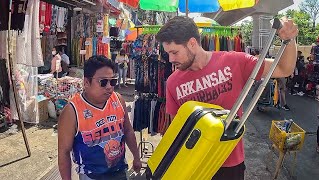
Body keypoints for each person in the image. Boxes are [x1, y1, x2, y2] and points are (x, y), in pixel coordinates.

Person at [155, 16, 298, 180]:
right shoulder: (173, 82)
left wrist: (289, 39)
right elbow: (177, 130)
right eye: (168, 54)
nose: (171, 59)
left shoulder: (234, 61)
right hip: (194, 164)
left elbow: (283, 69)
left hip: (230, 163)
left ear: (192, 43)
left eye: (174, 52)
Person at [58, 55, 142, 180]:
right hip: (91, 176)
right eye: (103, 82)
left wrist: (136, 157)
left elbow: (128, 130)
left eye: (113, 81)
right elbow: (64, 152)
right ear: (86, 82)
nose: (109, 87)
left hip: (119, 171)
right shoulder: (72, 111)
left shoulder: (118, 99)